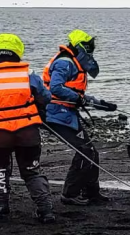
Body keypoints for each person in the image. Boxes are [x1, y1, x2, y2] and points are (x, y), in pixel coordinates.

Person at [0, 33, 56, 222]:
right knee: (32, 171)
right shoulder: (28, 75)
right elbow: (46, 98)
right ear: (18, 52)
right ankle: (45, 209)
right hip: (27, 132)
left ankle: (0, 205)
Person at [43, 30, 116, 205]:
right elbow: (56, 88)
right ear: (80, 47)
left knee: (91, 152)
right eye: (89, 47)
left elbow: (76, 93)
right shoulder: (64, 63)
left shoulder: (72, 63)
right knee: (85, 152)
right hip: (55, 114)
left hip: (65, 114)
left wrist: (101, 103)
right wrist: (79, 99)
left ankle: (91, 193)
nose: (91, 51)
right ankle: (69, 194)